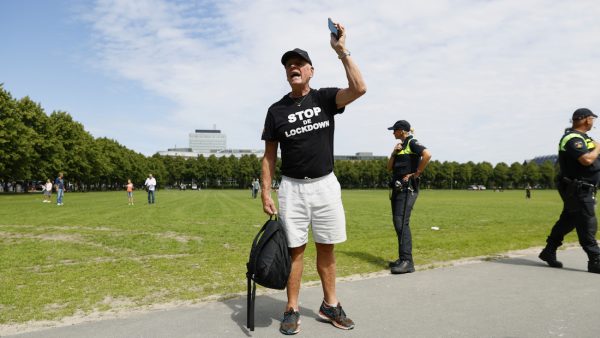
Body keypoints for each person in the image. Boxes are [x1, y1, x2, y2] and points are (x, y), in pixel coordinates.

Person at [260, 19, 366, 335]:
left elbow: (359, 89)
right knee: (295, 250)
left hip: (325, 186)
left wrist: (341, 51)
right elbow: (268, 155)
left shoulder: (324, 99)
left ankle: (329, 305)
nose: (293, 68)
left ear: (310, 71)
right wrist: (266, 191)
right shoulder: (276, 110)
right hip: (292, 188)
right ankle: (291, 308)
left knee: (327, 248)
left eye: (299, 64)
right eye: (288, 66)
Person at [539, 108, 600, 274]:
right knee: (587, 222)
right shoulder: (572, 138)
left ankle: (548, 251)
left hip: (583, 188)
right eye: (592, 119)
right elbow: (587, 159)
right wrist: (598, 149)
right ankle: (595, 260)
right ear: (586, 120)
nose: (593, 122)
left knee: (569, 220)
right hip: (578, 188)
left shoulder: (585, 138)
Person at [386, 120, 432, 274]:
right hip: (398, 189)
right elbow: (388, 168)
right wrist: (394, 152)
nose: (393, 133)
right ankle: (402, 258)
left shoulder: (412, 142)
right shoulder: (400, 146)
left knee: (401, 223)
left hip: (408, 189)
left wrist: (416, 173)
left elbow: (427, 154)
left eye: (395, 130)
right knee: (397, 222)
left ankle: (407, 262)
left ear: (402, 131)